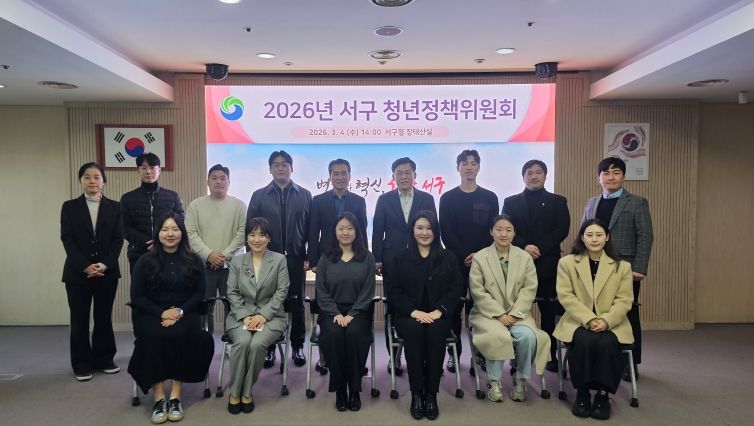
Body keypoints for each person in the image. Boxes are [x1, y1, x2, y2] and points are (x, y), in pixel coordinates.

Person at [127, 213, 214, 425]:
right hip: (152, 313)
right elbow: (137, 296)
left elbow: (199, 293)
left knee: (182, 334)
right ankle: (159, 399)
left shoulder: (194, 260)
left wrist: (180, 312)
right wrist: (161, 313)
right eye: (165, 229)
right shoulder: (144, 261)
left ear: (182, 233)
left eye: (175, 229)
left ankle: (175, 397)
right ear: (158, 233)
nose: (170, 234)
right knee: (153, 336)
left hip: (185, 312)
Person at [553, 219, 634, 420]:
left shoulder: (622, 266)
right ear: (582, 237)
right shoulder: (567, 263)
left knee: (608, 343)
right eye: (589, 235)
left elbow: (624, 300)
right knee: (584, 341)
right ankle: (582, 393)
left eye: (599, 235)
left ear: (607, 237)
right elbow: (566, 296)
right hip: (578, 320)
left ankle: (602, 395)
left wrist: (606, 321)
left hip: (612, 322)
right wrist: (589, 319)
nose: (594, 239)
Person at [386, 210, 462, 420]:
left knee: (436, 333)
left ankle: (431, 394)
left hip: (439, 315)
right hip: (408, 315)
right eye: (419, 227)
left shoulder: (448, 257)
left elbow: (456, 288)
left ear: (436, 231)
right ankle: (416, 393)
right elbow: (393, 291)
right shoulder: (400, 258)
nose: (424, 232)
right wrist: (413, 311)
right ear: (412, 230)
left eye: (429, 228)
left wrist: (439, 311)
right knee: (414, 331)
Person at [582, 156, 653, 381]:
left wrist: (640, 267)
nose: (610, 177)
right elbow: (583, 235)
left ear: (623, 176)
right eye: (606, 173)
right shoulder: (592, 203)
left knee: (628, 313)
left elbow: (645, 236)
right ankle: (603, 359)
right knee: (598, 311)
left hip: (626, 269)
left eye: (616, 172)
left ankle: (631, 363)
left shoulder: (637, 202)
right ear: (599, 178)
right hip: (595, 266)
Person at [468, 214, 551, 403]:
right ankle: (494, 381)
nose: (503, 234)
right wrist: (499, 314)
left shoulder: (525, 258)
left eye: (508, 230)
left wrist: (514, 314)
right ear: (491, 231)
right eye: (499, 229)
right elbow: (477, 291)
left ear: (514, 233)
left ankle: (520, 379)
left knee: (528, 337)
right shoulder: (480, 257)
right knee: (497, 335)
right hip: (487, 314)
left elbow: (529, 289)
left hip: (518, 314)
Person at [502, 159, 570, 373]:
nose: (534, 176)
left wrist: (539, 247)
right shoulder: (511, 202)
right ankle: (515, 354)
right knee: (515, 311)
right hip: (518, 264)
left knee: (549, 313)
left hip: (547, 264)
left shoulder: (558, 201)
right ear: (523, 177)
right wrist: (524, 246)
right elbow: (505, 228)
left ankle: (549, 354)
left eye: (538, 172)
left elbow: (562, 229)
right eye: (529, 172)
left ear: (545, 176)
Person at [60, 162, 124, 381]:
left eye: (96, 177)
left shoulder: (115, 207)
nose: (92, 181)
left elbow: (118, 239)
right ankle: (81, 363)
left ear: (103, 181)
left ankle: (104, 359)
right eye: (87, 176)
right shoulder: (69, 207)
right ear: (81, 180)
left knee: (103, 317)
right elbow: (67, 239)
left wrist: (104, 264)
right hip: (77, 273)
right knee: (79, 319)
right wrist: (85, 266)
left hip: (107, 272)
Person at [247, 150, 311, 368]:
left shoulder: (305, 195)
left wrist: (309, 256)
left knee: (297, 303)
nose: (280, 168)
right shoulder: (259, 196)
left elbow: (311, 229)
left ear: (292, 168)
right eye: (276, 164)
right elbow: (250, 229)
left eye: (285, 164)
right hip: (267, 258)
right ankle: (270, 347)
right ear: (270, 169)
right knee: (268, 302)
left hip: (296, 257)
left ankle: (297, 345)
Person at [372, 157, 436, 375]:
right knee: (394, 308)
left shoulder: (427, 199)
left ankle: (422, 356)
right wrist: (377, 259)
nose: (404, 176)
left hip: (422, 262)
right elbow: (377, 231)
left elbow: (433, 229)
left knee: (421, 305)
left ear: (415, 175)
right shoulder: (384, 199)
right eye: (399, 173)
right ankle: (395, 356)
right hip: (392, 263)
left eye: (408, 172)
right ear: (393, 176)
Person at [439, 149, 499, 373]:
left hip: (483, 262)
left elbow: (492, 230)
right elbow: (446, 232)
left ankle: (479, 354)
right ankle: (454, 354)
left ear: (479, 167)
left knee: (480, 310)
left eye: (473, 163)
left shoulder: (490, 197)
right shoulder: (447, 198)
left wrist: (478, 255)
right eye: (464, 163)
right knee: (454, 310)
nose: (469, 167)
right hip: (454, 263)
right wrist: (465, 254)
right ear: (458, 168)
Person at [225, 217, 290, 414]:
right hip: (240, 316)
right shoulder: (237, 261)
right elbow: (232, 292)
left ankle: (245, 392)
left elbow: (282, 291)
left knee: (257, 344)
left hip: (272, 317)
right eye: (252, 235)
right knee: (243, 342)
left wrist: (263, 315)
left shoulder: (279, 260)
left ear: (269, 238)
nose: (257, 239)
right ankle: (235, 392)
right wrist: (245, 316)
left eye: (262, 235)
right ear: (246, 238)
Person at [316, 212, 376, 412]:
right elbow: (321, 291)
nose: (345, 232)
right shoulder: (326, 258)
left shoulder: (367, 258)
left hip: (358, 312)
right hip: (331, 312)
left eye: (350, 228)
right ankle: (340, 389)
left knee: (354, 333)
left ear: (357, 231)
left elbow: (368, 291)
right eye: (341, 228)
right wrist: (335, 313)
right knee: (333, 334)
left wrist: (351, 314)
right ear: (334, 231)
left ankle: (355, 389)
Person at [185, 164, 246, 334]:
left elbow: (242, 233)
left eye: (223, 178)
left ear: (229, 182)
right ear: (207, 182)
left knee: (232, 306)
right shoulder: (195, 206)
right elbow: (191, 234)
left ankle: (231, 341)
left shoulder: (239, 205)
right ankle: (205, 342)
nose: (218, 181)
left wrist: (224, 256)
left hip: (232, 267)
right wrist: (209, 255)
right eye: (214, 178)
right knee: (204, 308)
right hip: (203, 266)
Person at [120, 152, 184, 272]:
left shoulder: (173, 196)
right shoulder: (127, 198)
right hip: (138, 253)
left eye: (152, 167)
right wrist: (146, 242)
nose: (148, 171)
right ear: (138, 170)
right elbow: (124, 226)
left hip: (168, 252)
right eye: (143, 168)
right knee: (139, 283)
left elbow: (180, 223)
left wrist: (161, 241)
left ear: (159, 170)